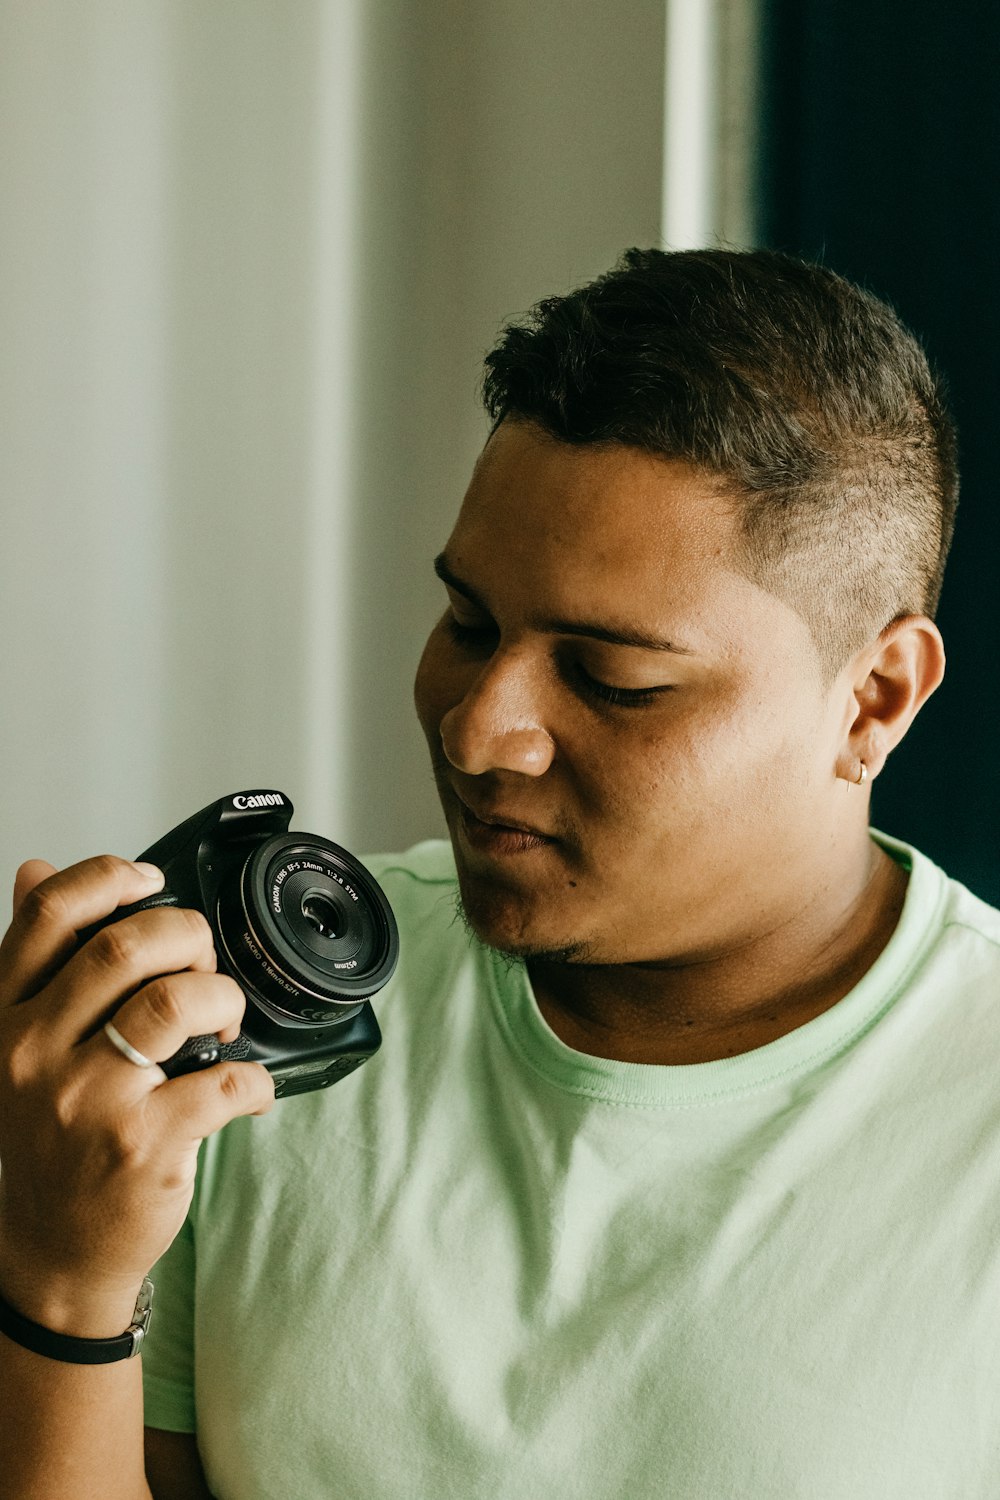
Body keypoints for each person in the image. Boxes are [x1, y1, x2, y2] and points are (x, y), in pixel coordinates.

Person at [1, 247, 997, 1499]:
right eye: (468, 624)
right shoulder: (245, 1025)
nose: (479, 732)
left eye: (611, 678)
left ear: (875, 698)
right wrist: (57, 1273)